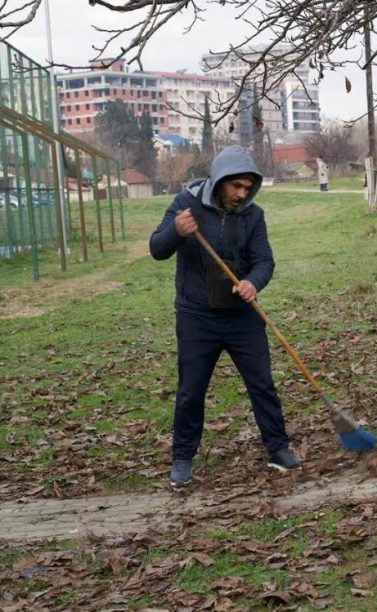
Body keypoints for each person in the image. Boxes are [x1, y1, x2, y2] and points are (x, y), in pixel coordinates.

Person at [149, 145, 300, 488]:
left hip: (242, 318)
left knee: (262, 384)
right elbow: (157, 249)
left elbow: (265, 261)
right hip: (196, 317)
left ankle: (277, 448)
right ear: (220, 180)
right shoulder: (184, 206)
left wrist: (252, 282)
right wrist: (176, 230)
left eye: (248, 188)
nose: (241, 194)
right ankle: (182, 458)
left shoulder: (253, 216)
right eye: (236, 186)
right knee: (191, 390)